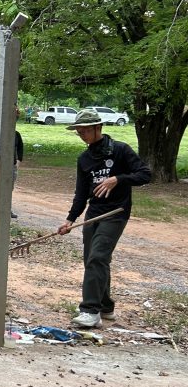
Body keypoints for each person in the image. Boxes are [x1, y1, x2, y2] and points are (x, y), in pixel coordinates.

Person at [57, 109, 151, 328]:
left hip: (115, 213)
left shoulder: (120, 150)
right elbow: (81, 193)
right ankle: (106, 306)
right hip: (94, 214)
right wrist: (70, 220)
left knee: (98, 257)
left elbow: (145, 174)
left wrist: (118, 179)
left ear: (98, 127)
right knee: (94, 260)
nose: (81, 134)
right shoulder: (84, 159)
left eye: (85, 130)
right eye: (78, 131)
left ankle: (90, 311)